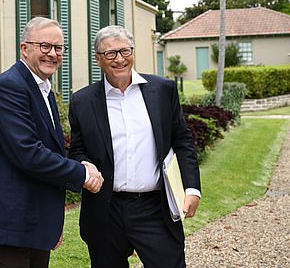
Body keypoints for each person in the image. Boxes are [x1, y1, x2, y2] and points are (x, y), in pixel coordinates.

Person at [0, 16, 103, 268]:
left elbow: (51, 150)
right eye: (44, 46)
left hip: (33, 223)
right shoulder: (9, 86)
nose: (52, 54)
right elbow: (28, 154)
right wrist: (83, 174)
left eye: (58, 48)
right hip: (7, 226)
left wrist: (50, 224)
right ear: (25, 48)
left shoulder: (42, 88)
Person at [68, 25, 201, 268]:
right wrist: (84, 166)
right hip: (105, 209)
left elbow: (181, 140)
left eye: (124, 51)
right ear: (98, 59)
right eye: (110, 54)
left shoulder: (162, 90)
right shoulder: (82, 101)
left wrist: (192, 188)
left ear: (133, 52)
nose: (119, 59)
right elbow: (77, 150)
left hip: (154, 208)